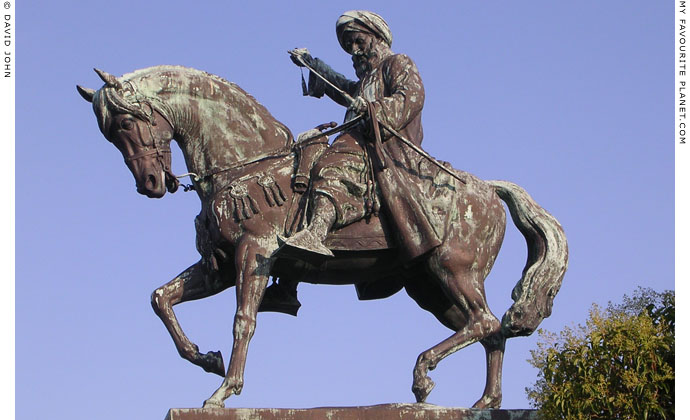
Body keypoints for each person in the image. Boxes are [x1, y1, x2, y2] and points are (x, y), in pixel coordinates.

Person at [279, 10, 444, 264]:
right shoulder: (365, 81)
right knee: (308, 153)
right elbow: (339, 85)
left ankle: (316, 232)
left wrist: (372, 109)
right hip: (362, 143)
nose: (354, 50)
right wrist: (311, 64)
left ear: (376, 38)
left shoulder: (397, 63)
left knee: (332, 163)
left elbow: (411, 97)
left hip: (386, 147)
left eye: (359, 42)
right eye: (349, 46)